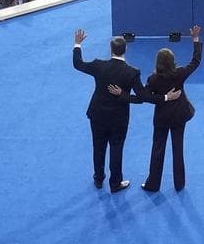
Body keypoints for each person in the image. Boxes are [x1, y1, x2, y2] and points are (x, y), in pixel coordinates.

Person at [71, 29, 179, 192]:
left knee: (98, 147)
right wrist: (164, 98)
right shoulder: (132, 72)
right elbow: (143, 97)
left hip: (97, 115)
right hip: (118, 119)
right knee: (116, 149)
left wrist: (77, 44)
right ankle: (115, 183)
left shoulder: (99, 65)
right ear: (126, 49)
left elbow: (78, 64)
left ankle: (99, 179)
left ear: (111, 49)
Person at [141, 25, 203, 192]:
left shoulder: (152, 79)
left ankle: (153, 184)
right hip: (179, 116)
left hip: (162, 118)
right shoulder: (180, 73)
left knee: (157, 149)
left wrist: (163, 98)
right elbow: (196, 61)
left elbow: (146, 97)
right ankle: (179, 183)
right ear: (172, 61)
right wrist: (195, 39)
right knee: (178, 148)